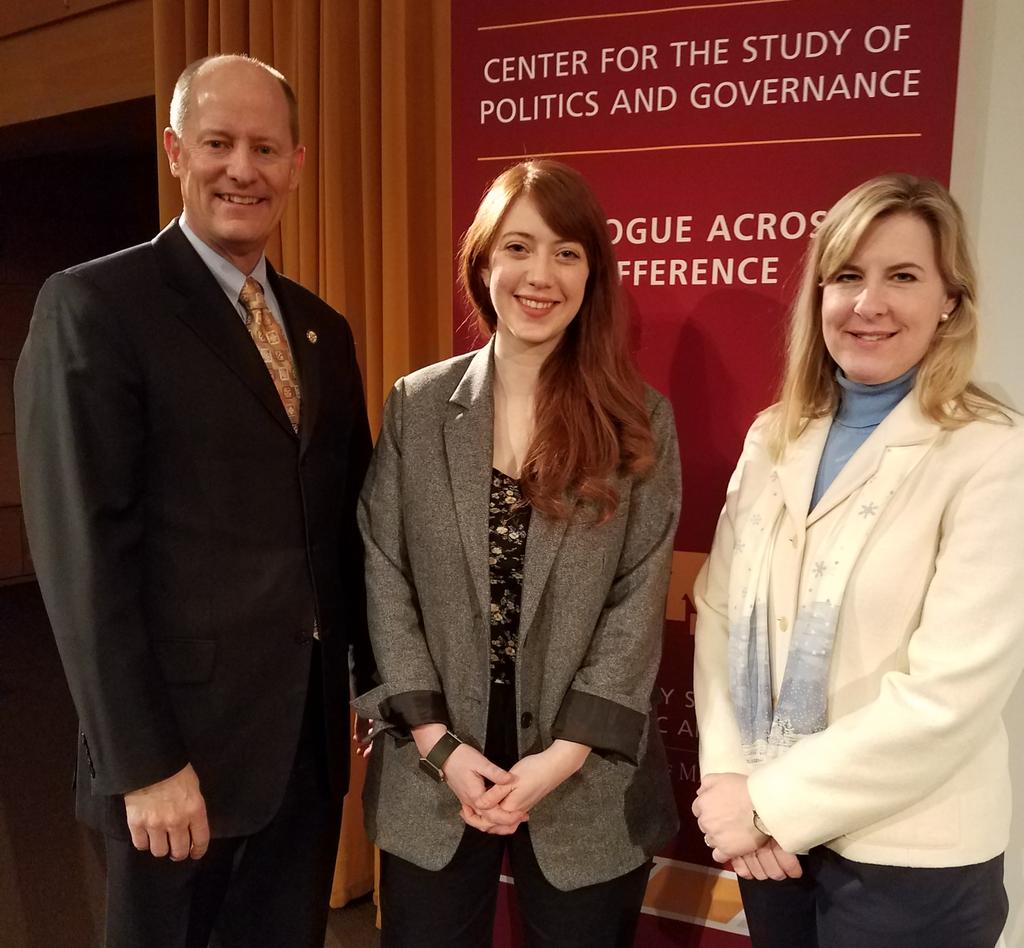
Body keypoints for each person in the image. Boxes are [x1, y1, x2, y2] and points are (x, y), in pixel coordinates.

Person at [15, 54, 373, 947]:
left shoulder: (323, 329)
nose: (241, 169)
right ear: (177, 151)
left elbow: (343, 529)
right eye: (218, 143)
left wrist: (375, 693)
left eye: (264, 147)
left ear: (298, 162)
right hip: (175, 762)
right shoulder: (96, 304)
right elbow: (81, 555)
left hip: (302, 749)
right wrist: (143, 762)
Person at [353, 159, 681, 947]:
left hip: (584, 772)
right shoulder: (418, 405)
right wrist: (438, 747)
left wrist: (560, 759)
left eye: (567, 252)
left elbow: (636, 603)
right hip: (435, 764)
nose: (542, 275)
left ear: (592, 273)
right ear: (484, 263)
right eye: (519, 248)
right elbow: (383, 572)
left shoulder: (640, 419)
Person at [691, 173, 1024, 947]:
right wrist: (732, 779)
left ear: (950, 300)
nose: (868, 303)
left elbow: (947, 696)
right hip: (773, 846)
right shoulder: (776, 433)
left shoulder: (992, 452)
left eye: (902, 276)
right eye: (847, 276)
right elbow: (717, 612)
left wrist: (771, 803)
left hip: (907, 857)